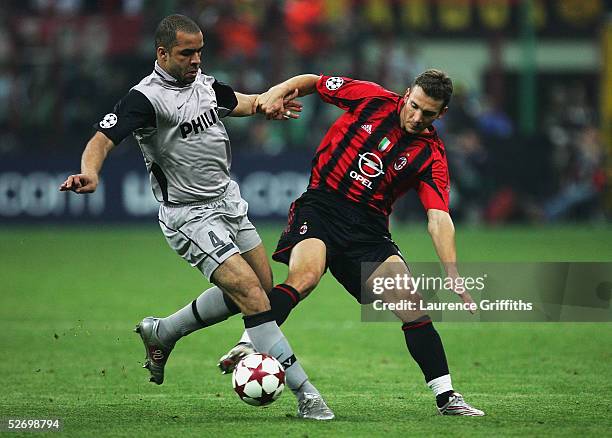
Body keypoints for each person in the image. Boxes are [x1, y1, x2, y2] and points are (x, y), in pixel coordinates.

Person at [59, 14, 333, 420]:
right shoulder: (145, 99)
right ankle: (307, 395)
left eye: (200, 52)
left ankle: (163, 331)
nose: (196, 60)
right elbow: (101, 139)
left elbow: (245, 102)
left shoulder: (205, 85)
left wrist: (266, 104)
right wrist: (91, 173)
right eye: (187, 53)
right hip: (190, 216)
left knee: (261, 285)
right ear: (162, 53)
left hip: (228, 201)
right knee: (255, 298)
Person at [219, 70, 485, 416]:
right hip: (322, 207)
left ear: (442, 114)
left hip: (368, 231)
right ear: (406, 94)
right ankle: (249, 341)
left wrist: (451, 271)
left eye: (428, 114)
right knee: (306, 277)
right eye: (414, 106)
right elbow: (314, 81)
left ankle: (446, 397)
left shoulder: (430, 154)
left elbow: (438, 217)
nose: (417, 117)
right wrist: (276, 90)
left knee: (411, 303)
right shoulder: (372, 99)